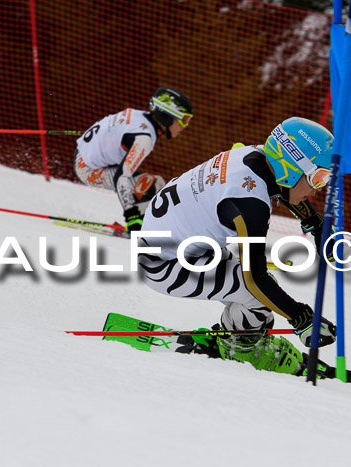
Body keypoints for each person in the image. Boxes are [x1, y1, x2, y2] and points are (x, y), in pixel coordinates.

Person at [137, 117, 336, 376]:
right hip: (164, 266)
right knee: (258, 295)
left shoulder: (253, 154)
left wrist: (313, 222)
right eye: (318, 178)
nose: (320, 188)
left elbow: (279, 184)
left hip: (179, 246)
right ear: (291, 167)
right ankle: (240, 349)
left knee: (257, 293)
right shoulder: (249, 204)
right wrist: (302, 319)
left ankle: (236, 335)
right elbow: (255, 279)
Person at [73, 87, 193, 231]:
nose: (185, 126)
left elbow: (110, 126)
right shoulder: (144, 139)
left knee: (152, 184)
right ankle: (141, 228)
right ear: (168, 116)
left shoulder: (138, 115)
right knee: (153, 185)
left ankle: (148, 224)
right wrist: (131, 216)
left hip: (81, 154)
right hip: (88, 170)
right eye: (184, 120)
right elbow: (122, 176)